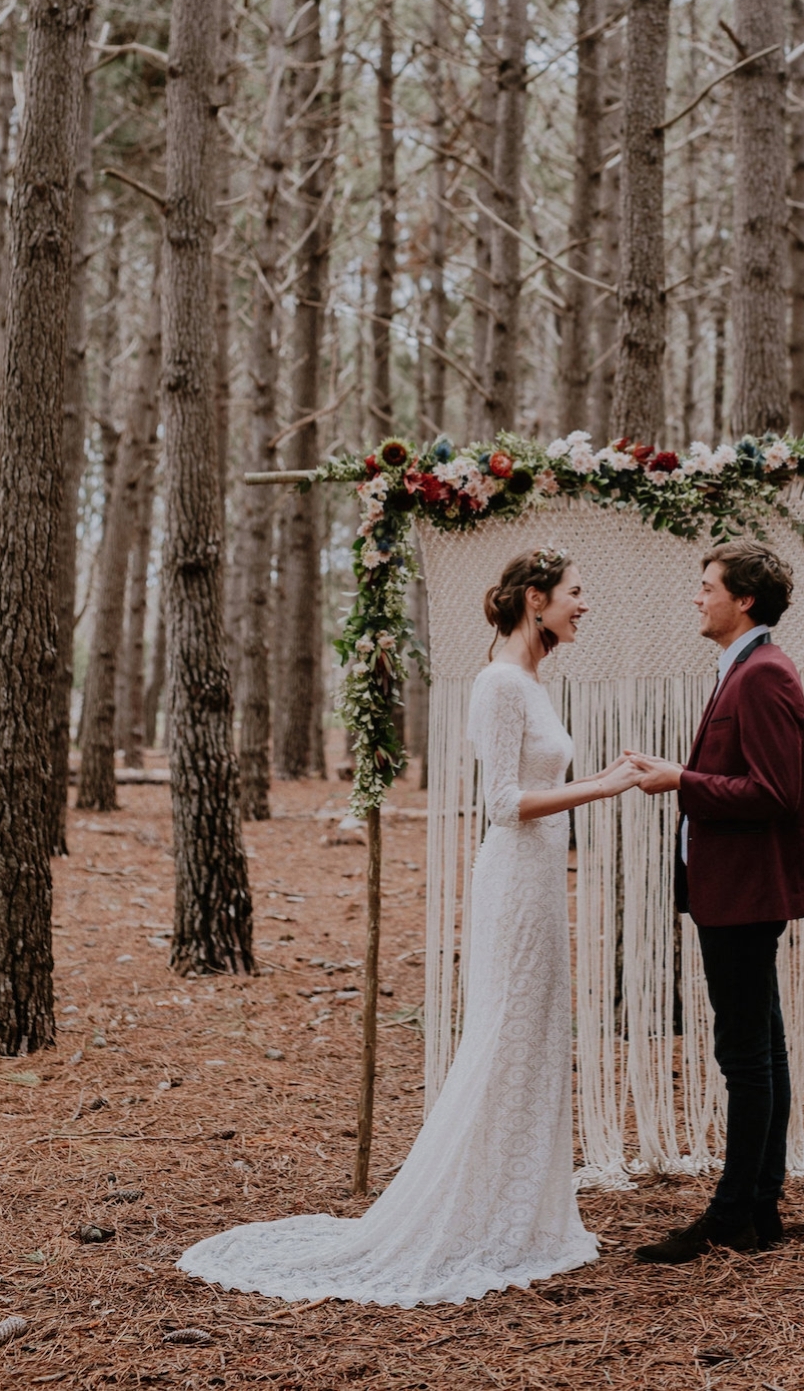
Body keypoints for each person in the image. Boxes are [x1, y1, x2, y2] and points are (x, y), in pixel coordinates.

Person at [178, 546, 641, 1308]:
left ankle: (519, 1209)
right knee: (506, 1037)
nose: (583, 605)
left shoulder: (532, 680)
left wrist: (596, 781)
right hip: (513, 883)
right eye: (575, 593)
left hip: (537, 883)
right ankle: (468, 1213)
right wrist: (603, 786)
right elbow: (501, 802)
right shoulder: (498, 683)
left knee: (533, 1038)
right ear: (535, 599)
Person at [625, 537, 804, 1262]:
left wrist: (680, 781)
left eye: (708, 585)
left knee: (745, 1055)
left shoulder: (765, 673)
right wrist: (679, 774)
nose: (696, 595)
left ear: (744, 599)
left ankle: (733, 1213)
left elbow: (775, 792)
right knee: (760, 1048)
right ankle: (760, 1208)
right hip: (731, 890)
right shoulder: (742, 667)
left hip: (744, 892)